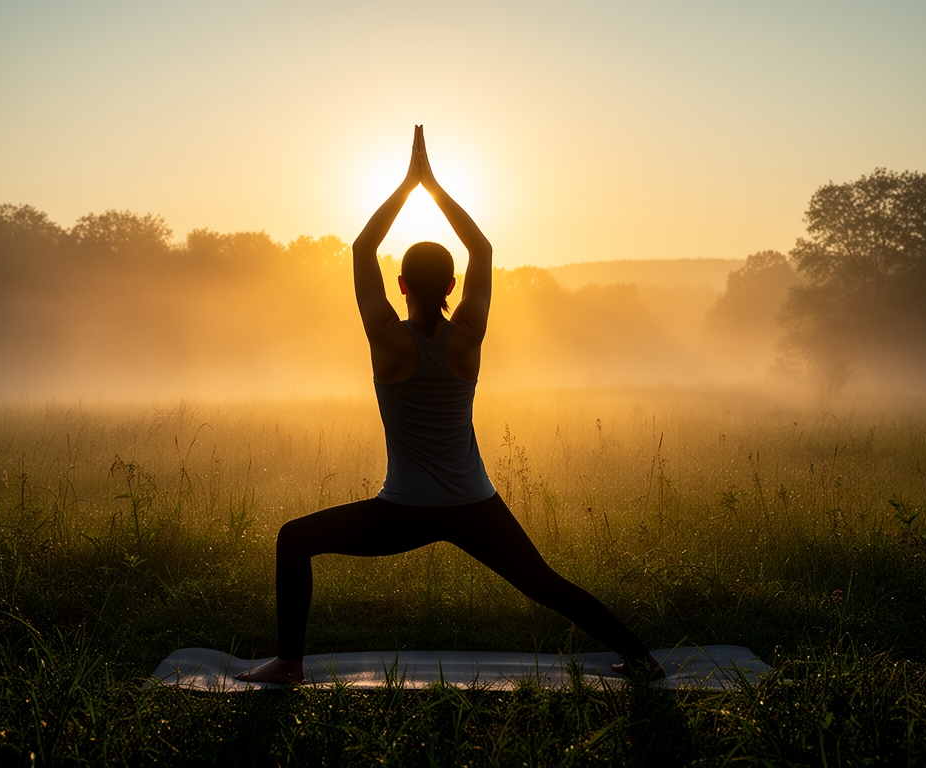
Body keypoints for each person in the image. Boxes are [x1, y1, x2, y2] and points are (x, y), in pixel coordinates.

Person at [235, 126, 663, 684]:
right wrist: (434, 187)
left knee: (294, 540)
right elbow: (482, 248)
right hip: (473, 504)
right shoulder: (466, 339)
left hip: (405, 510)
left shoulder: (388, 343)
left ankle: (289, 662)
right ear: (453, 284)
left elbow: (362, 248)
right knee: (545, 584)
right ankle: (641, 657)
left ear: (402, 284)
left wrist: (408, 185)